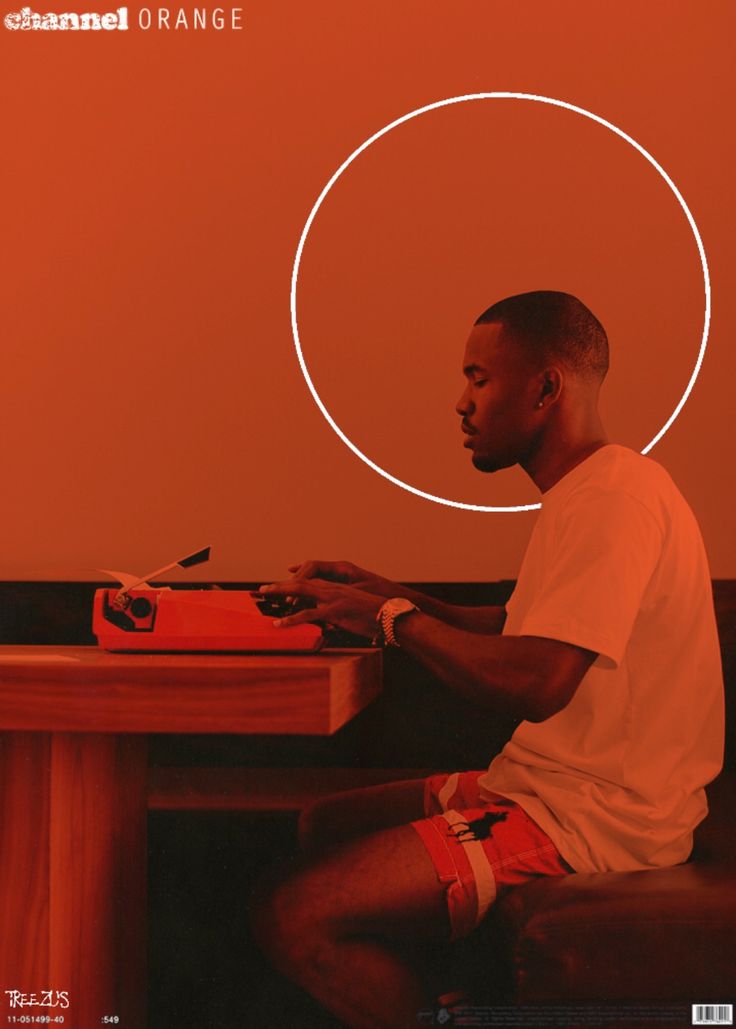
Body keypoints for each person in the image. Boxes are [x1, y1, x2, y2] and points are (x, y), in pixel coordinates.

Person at [248, 290, 724, 1029]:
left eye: (478, 378)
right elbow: (515, 625)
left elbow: (539, 680)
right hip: (548, 787)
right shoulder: (589, 489)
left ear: (544, 388)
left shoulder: (614, 498)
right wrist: (380, 588)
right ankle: (453, 1004)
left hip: (595, 820)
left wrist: (389, 618)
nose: (462, 404)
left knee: (294, 914)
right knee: (324, 826)